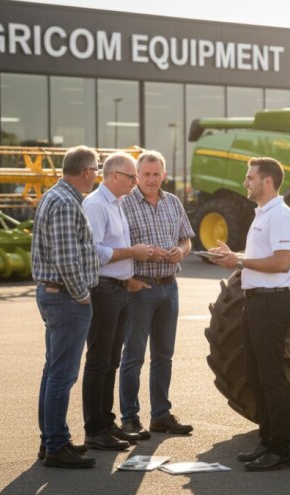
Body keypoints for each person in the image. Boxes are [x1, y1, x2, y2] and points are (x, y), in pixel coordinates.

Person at [209, 157, 290, 472]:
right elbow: (265, 257)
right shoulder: (264, 213)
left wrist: (240, 262)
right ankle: (267, 442)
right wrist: (234, 257)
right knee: (256, 375)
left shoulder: (281, 215)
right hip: (256, 301)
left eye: (250, 178)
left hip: (271, 303)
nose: (245, 183)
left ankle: (280, 451)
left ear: (267, 182)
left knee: (271, 378)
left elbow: (282, 262)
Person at [118, 150, 195, 438]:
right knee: (134, 356)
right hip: (140, 288)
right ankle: (129, 418)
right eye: (145, 174)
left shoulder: (173, 202)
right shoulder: (124, 204)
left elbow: (186, 239)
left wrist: (181, 251)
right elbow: (116, 245)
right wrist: (128, 281)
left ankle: (160, 415)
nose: (151, 179)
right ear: (137, 176)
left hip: (169, 287)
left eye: (156, 174)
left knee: (163, 356)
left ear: (164, 175)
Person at [32, 145, 100, 468]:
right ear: (86, 172)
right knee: (62, 373)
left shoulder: (57, 197)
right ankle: (56, 445)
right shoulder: (65, 202)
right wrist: (82, 294)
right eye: (96, 170)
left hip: (56, 295)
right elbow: (65, 259)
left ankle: (51, 440)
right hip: (66, 297)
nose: (97, 176)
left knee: (53, 370)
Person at [81, 152, 153, 451]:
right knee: (99, 360)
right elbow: (94, 251)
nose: (136, 182)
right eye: (131, 176)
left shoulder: (118, 203)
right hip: (104, 288)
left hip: (119, 289)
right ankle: (94, 429)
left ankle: (105, 421)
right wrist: (132, 252)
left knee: (111, 360)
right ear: (112, 176)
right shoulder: (96, 205)